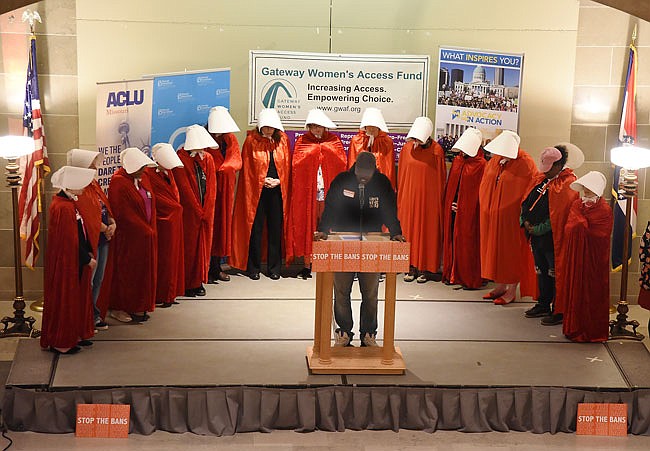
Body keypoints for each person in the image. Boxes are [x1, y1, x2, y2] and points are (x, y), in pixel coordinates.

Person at [314, 151, 405, 347]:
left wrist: (396, 231)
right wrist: (323, 230)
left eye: (367, 173)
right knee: (341, 290)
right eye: (359, 172)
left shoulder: (382, 184)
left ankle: (368, 333)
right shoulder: (342, 181)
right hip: (343, 242)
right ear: (354, 167)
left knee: (370, 292)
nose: (362, 177)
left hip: (372, 243)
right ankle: (344, 331)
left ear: (374, 170)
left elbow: (390, 210)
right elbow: (330, 207)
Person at [521, 144, 582, 325]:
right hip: (537, 238)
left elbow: (560, 215)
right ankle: (543, 303)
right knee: (541, 271)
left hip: (552, 239)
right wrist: (524, 220)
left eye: (549, 169)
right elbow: (527, 200)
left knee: (555, 272)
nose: (545, 172)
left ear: (558, 165)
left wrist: (539, 228)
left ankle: (558, 309)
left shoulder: (568, 184)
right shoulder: (540, 179)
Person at [41, 166, 97, 355]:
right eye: (80, 186)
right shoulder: (63, 207)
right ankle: (62, 340)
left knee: (77, 297)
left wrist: (87, 252)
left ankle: (74, 333)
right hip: (68, 261)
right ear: (71, 186)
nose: (83, 189)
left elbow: (79, 234)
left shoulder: (69, 203)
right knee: (66, 297)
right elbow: (69, 240)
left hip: (76, 258)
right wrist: (85, 258)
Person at [479, 130, 538, 305]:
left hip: (512, 218)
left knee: (511, 253)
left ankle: (511, 290)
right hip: (493, 216)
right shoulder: (497, 159)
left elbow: (528, 191)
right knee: (496, 251)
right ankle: (500, 286)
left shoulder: (526, 163)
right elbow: (486, 183)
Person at [231, 108, 291, 280]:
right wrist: (262, 181)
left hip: (277, 191)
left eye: (272, 127)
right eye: (266, 127)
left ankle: (274, 268)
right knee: (255, 229)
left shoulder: (283, 141)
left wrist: (280, 180)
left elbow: (287, 167)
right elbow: (248, 170)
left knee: (275, 229)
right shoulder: (251, 141)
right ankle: (253, 268)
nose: (269, 130)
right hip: (257, 192)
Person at [287, 108, 347, 279]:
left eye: (319, 126)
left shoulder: (334, 141)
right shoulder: (302, 142)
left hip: (328, 194)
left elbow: (342, 163)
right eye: (313, 127)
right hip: (309, 194)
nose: (316, 130)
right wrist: (314, 156)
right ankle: (308, 264)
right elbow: (297, 166)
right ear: (309, 128)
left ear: (325, 127)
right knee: (309, 227)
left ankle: (328, 262)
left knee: (328, 226)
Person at [103, 147, 158, 323]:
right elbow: (123, 213)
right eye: (140, 167)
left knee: (140, 273)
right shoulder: (119, 182)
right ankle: (120, 306)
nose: (144, 170)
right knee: (127, 273)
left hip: (142, 236)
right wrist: (144, 229)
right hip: (129, 238)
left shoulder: (139, 180)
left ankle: (138, 304)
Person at [560, 171, 612, 342]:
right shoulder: (577, 204)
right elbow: (569, 226)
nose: (586, 191)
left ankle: (592, 331)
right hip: (576, 257)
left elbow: (601, 235)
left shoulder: (604, 210)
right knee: (576, 287)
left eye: (590, 188)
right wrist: (580, 225)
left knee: (593, 290)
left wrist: (581, 225)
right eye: (585, 188)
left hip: (594, 260)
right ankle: (574, 327)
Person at [67, 148, 116, 331]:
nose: (96, 168)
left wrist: (112, 223)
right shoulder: (79, 189)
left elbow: (105, 207)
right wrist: (105, 228)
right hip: (92, 241)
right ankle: (86, 315)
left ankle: (93, 312)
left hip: (103, 239)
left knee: (99, 279)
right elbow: (87, 218)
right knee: (89, 278)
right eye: (92, 166)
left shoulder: (94, 185)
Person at [397, 116, 446, 283]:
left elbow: (440, 178)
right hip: (409, 198)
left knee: (426, 232)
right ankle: (409, 266)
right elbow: (402, 175)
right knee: (408, 231)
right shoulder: (406, 149)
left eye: (419, 139)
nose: (415, 142)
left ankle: (424, 267)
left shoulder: (437, 151)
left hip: (428, 200)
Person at [176, 124, 218, 296]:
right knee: (189, 247)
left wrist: (207, 209)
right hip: (190, 214)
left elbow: (212, 186)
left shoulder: (207, 158)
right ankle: (187, 282)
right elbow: (184, 188)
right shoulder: (181, 158)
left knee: (203, 246)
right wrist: (196, 209)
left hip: (204, 213)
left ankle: (199, 280)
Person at [442, 128, 486, 289]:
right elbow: (452, 185)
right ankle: (452, 272)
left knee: (468, 242)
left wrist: (464, 206)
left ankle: (467, 276)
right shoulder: (458, 161)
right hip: (453, 208)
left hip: (470, 212)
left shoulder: (481, 165)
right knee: (453, 240)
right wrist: (451, 204)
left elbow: (478, 193)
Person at [205, 106, 242, 283]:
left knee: (221, 229)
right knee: (208, 231)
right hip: (207, 193)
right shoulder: (203, 138)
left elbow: (236, 160)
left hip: (224, 193)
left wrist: (223, 169)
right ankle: (204, 270)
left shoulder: (230, 138)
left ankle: (216, 267)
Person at [148, 143, 185, 308]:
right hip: (163, 223)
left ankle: (170, 292)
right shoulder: (149, 174)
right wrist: (174, 208)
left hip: (174, 222)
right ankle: (161, 294)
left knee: (173, 258)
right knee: (164, 259)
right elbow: (156, 199)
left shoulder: (168, 172)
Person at [348, 107, 396, 189]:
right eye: (369, 126)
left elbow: (388, 168)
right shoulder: (357, 141)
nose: (371, 129)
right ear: (365, 127)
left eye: (374, 126)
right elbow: (352, 163)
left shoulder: (386, 142)